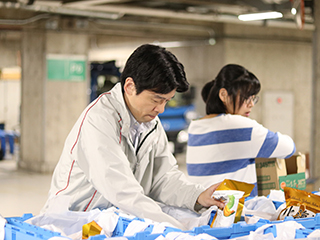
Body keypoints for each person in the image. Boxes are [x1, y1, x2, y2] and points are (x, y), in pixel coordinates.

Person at [41, 44, 224, 229]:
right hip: (73, 225)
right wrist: (178, 229)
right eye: (156, 99)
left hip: (112, 222)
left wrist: (197, 196)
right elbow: (123, 192)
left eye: (166, 101)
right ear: (130, 86)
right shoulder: (99, 120)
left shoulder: (150, 123)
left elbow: (163, 178)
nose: (161, 109)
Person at [186, 64, 296, 196]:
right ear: (223, 95)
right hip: (235, 212)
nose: (251, 104)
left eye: (253, 98)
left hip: (203, 210)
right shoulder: (239, 126)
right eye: (246, 97)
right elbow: (289, 148)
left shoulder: (196, 125)